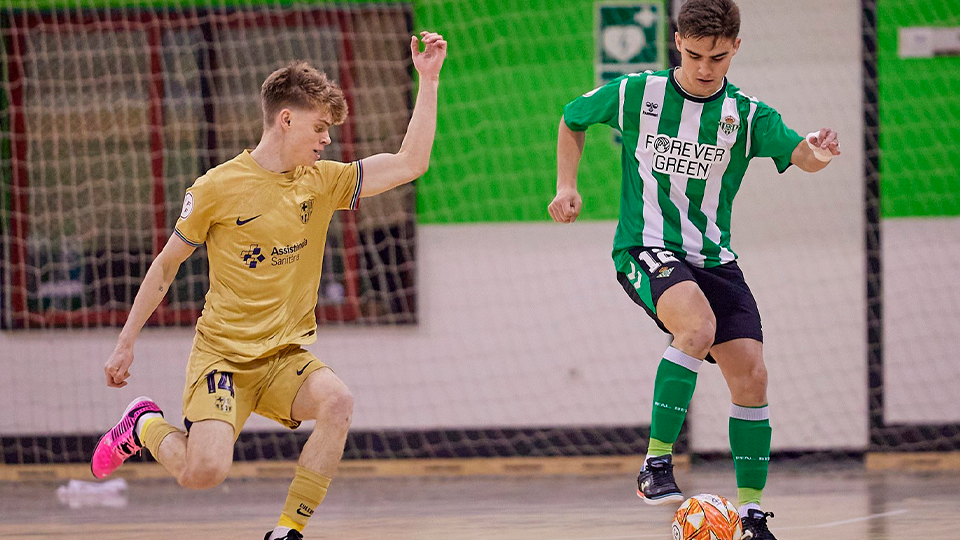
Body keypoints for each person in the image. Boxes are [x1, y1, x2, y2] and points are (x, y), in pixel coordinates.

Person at [92, 31, 447, 540]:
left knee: (338, 401)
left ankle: (287, 531)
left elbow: (412, 163)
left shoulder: (323, 181)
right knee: (203, 473)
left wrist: (428, 81)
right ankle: (142, 424)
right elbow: (165, 266)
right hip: (224, 358)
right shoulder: (216, 186)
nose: (327, 140)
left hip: (284, 357)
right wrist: (125, 343)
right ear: (286, 119)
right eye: (320, 127)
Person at [548, 1, 838, 538]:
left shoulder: (748, 115)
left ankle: (752, 517)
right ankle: (655, 463)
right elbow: (571, 120)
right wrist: (567, 186)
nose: (707, 68)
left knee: (751, 375)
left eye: (719, 57)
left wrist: (819, 153)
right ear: (677, 41)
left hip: (715, 260)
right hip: (646, 247)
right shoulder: (639, 93)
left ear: (736, 49)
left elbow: (800, 154)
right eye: (696, 54)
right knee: (697, 327)